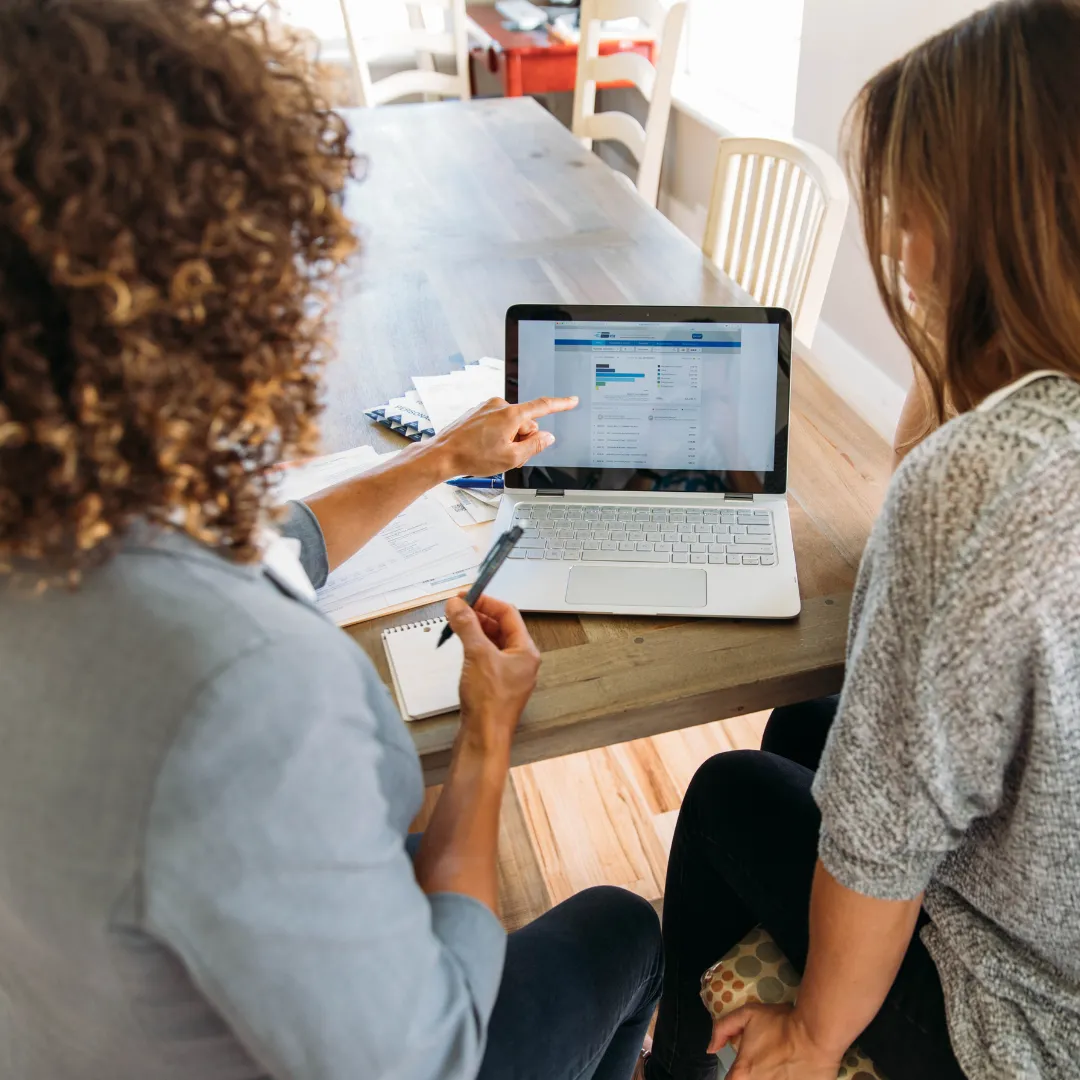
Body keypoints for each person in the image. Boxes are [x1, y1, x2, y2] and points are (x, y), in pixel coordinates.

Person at [0, 3, 662, 1079]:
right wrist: (489, 736)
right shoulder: (243, 692)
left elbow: (273, 542)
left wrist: (442, 459)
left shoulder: (59, 511)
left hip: (73, 1011)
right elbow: (432, 1057)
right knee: (625, 927)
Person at [644, 3, 1080, 1079]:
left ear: (988, 219)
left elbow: (879, 838)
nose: (894, 243)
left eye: (911, 206)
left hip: (1028, 1029)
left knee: (722, 796)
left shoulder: (989, 478)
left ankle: (675, 1070)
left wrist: (816, 1030)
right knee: (806, 716)